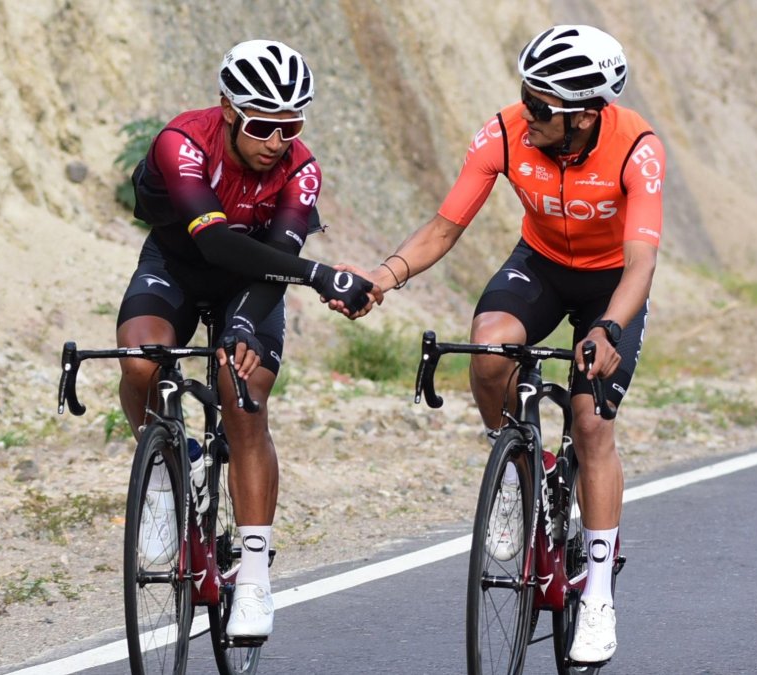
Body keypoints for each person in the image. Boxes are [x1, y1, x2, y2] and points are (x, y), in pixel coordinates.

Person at [334, 25, 664, 663]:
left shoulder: (637, 150)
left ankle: (596, 594)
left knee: (591, 422)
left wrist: (610, 328)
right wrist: (384, 277)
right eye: (525, 95)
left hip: (611, 284)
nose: (527, 112)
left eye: (542, 106)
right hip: (539, 265)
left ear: (587, 114)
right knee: (489, 350)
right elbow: (444, 225)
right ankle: (517, 473)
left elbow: (642, 264)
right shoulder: (506, 131)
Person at [116, 39, 377, 638]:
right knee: (138, 362)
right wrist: (319, 274)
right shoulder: (181, 142)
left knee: (245, 398)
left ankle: (255, 578)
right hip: (180, 263)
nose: (276, 141)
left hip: (255, 282)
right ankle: (162, 476)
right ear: (229, 111)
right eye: (263, 126)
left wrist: (243, 322)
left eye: (291, 126)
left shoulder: (300, 168)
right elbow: (212, 243)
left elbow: (278, 260)